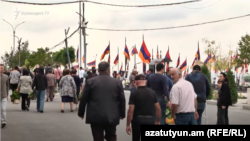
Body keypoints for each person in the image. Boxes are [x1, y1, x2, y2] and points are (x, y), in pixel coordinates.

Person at [78, 61, 126, 141]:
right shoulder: (117, 82)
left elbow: (84, 98)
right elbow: (122, 99)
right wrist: (122, 114)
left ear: (98, 70)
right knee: (111, 136)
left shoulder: (90, 82)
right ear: (109, 70)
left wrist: (81, 113)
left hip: (95, 115)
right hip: (112, 115)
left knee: (97, 137)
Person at [126, 74, 161, 141]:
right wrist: (158, 121)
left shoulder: (134, 93)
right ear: (146, 81)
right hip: (150, 120)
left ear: (135, 82)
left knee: (136, 139)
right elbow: (158, 108)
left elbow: (130, 111)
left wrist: (128, 124)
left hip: (137, 120)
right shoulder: (152, 92)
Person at [0, 64, 9, 128]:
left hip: (3, 96)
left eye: (2, 68)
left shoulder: (6, 77)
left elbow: (7, 86)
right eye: (0, 68)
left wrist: (7, 95)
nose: (2, 69)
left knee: (3, 109)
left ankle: (3, 121)